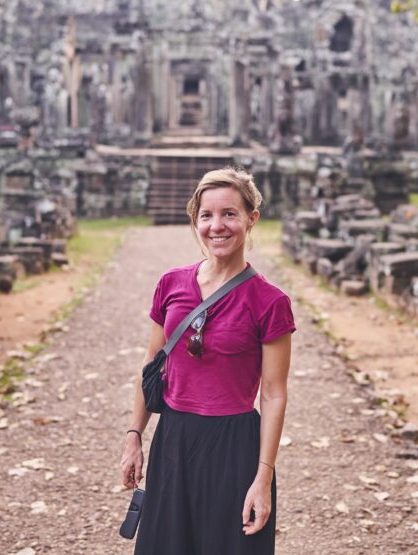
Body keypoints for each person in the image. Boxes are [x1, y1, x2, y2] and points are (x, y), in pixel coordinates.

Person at [119, 167, 295, 554]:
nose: (218, 226)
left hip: (235, 447)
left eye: (230, 214)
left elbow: (274, 395)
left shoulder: (270, 301)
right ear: (195, 221)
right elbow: (152, 365)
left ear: (252, 219)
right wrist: (135, 436)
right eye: (207, 215)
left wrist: (263, 477)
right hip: (174, 440)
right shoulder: (171, 284)